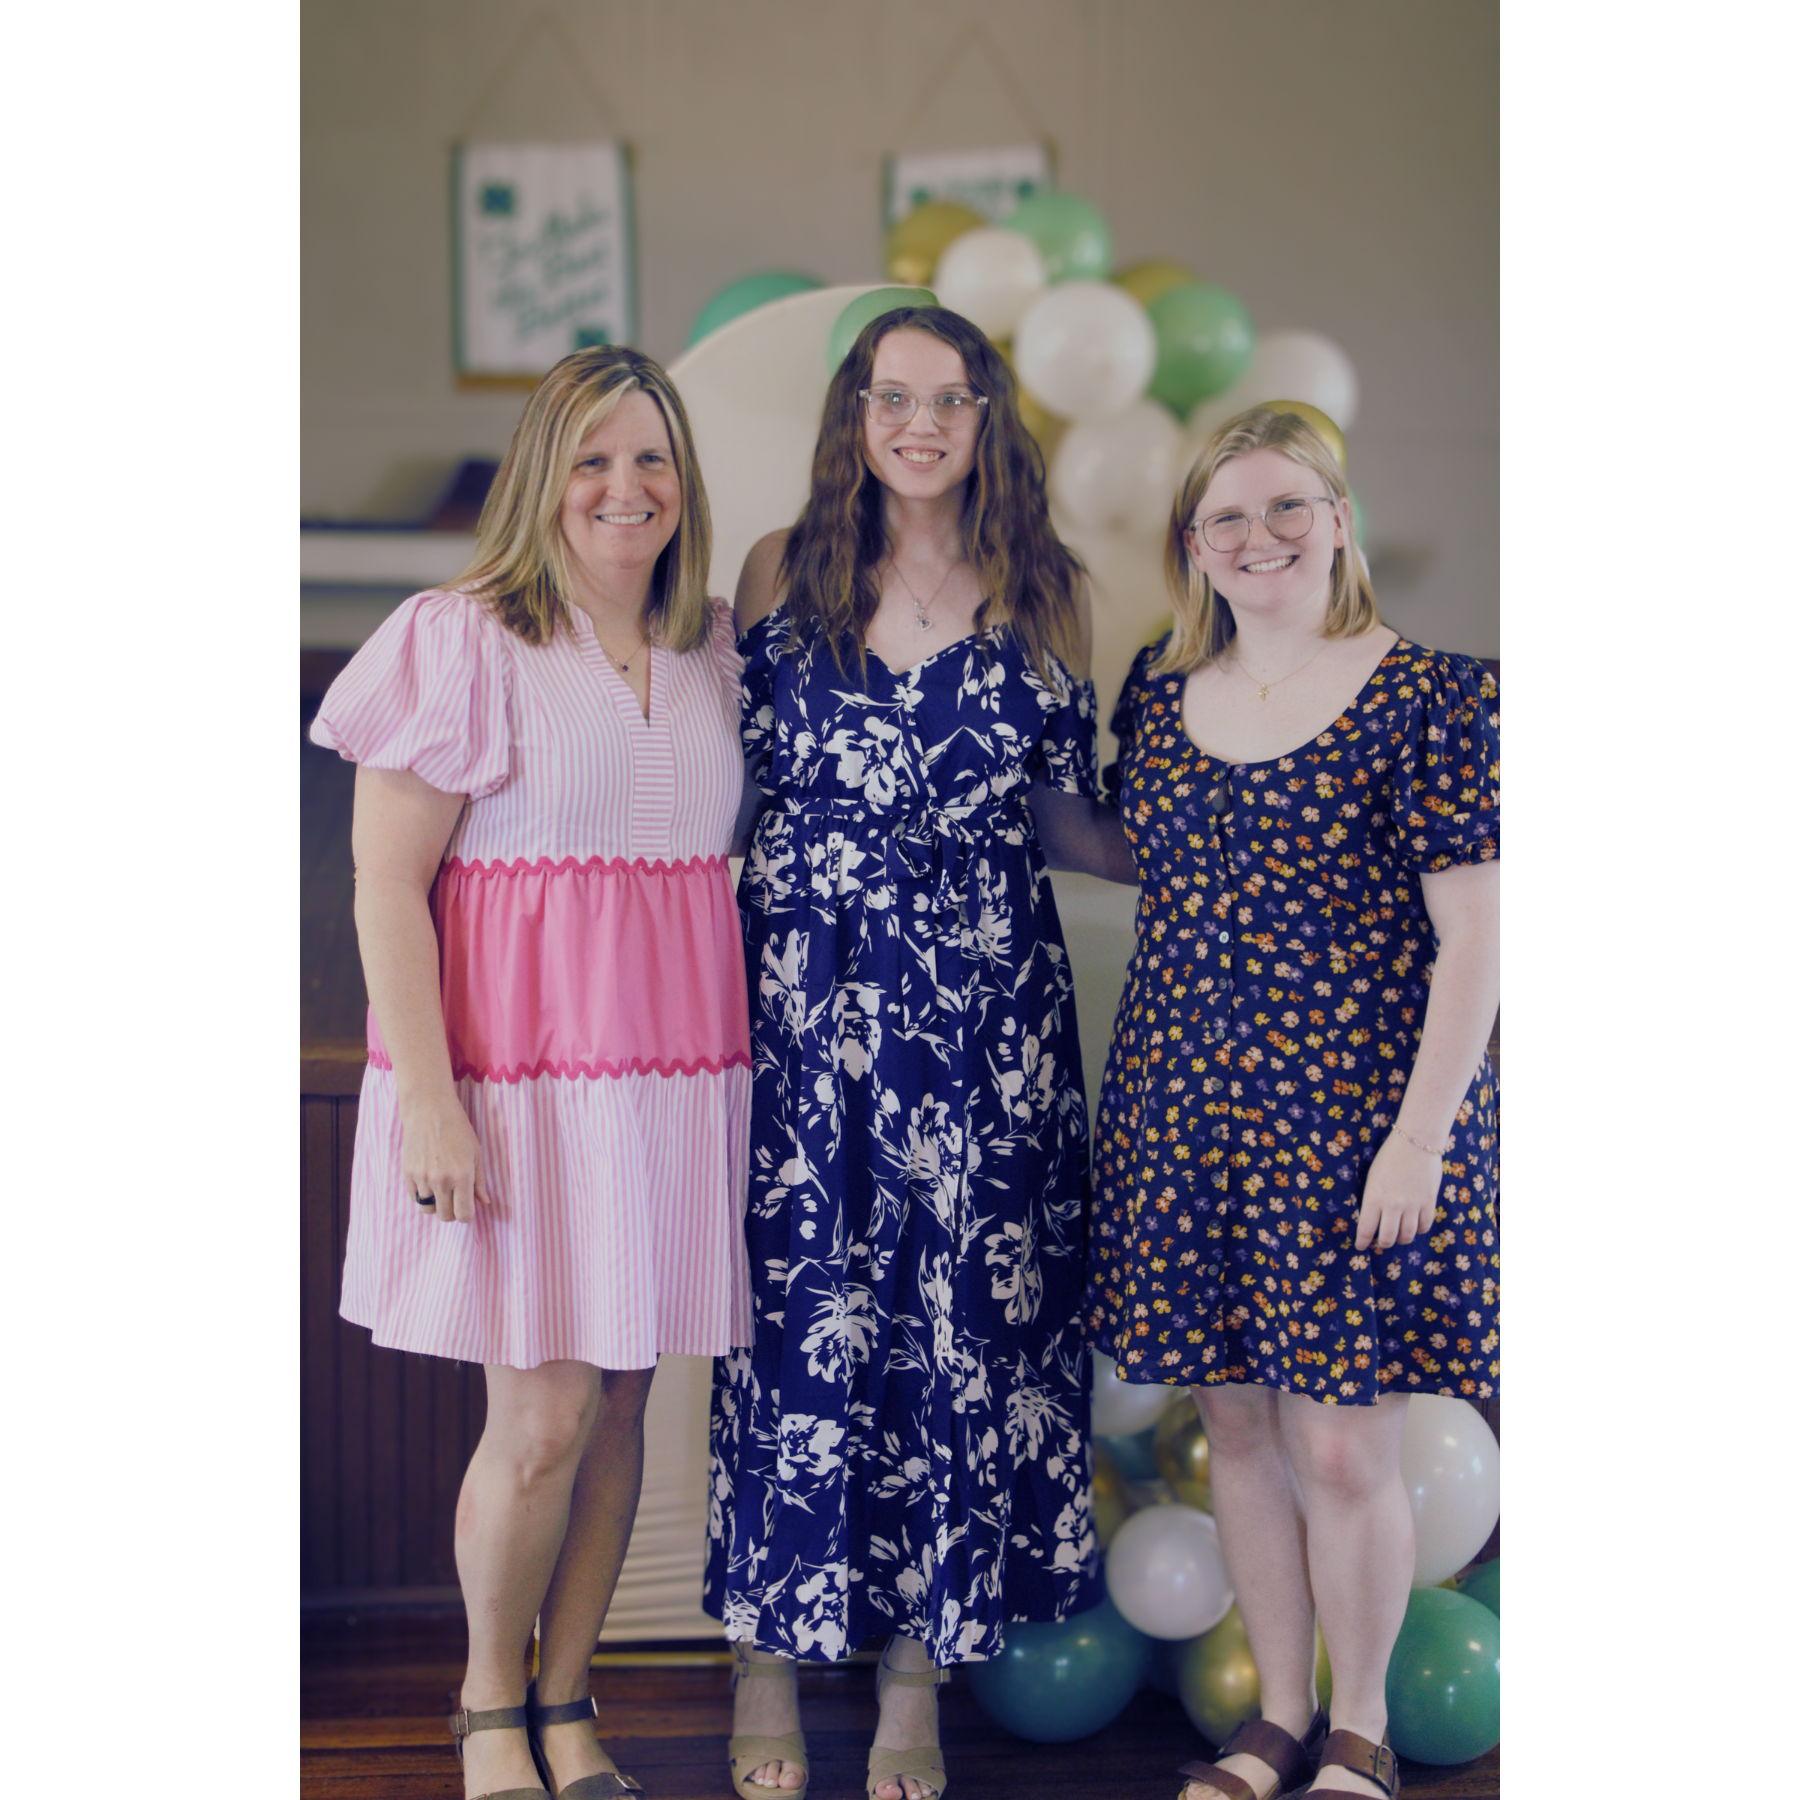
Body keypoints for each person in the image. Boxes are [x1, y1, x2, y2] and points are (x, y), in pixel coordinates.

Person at [309, 346, 752, 1800]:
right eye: (593, 459)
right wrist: (428, 1095)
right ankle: (489, 1701)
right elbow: (386, 890)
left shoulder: (718, 650)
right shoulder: (463, 637)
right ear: (540, 478)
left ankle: (573, 1700)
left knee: (628, 1401)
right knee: (543, 1412)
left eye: (653, 460)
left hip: (677, 1079)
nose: (626, 488)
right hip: (520, 1083)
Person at [705, 305, 1132, 1800]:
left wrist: (1240, 845)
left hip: (983, 1010)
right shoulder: (778, 567)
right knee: (796, 1322)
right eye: (894, 395)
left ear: (985, 414)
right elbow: (727, 799)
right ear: (858, 411)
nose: (921, 423)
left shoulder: (1044, 587)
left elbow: (1070, 820)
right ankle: (768, 1657)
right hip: (803, 1003)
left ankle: (910, 1683)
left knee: (961, 1333)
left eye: (950, 398)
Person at [1085, 407, 1499, 1800]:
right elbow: (1127, 851)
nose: (1258, 539)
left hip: (1354, 1120)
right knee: (1244, 1432)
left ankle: (1363, 1725)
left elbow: (1480, 942)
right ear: (1191, 546)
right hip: (1185, 1106)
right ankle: (1273, 1720)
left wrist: (1425, 1133)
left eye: (1286, 509)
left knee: (1339, 1436)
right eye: (1227, 519)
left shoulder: (1438, 697)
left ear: (1337, 519)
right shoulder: (1160, 684)